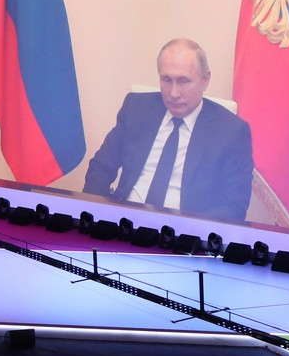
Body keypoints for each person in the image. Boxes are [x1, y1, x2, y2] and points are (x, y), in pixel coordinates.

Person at [81, 38, 253, 221]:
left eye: (183, 81)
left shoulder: (231, 132)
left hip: (185, 231)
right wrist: (100, 214)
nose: (173, 93)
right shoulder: (136, 108)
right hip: (124, 223)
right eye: (166, 80)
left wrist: (190, 230)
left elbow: (233, 206)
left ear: (205, 80)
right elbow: (101, 166)